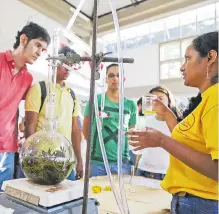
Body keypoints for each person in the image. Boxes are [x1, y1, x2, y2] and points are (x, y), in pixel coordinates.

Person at [127, 31, 218, 214]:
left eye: (187, 58)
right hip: (192, 201)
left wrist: (162, 141)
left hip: (202, 204)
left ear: (210, 57)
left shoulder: (215, 99)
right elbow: (191, 143)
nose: (182, 67)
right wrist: (167, 114)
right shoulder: (206, 100)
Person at [0, 22, 50, 190]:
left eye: (43, 50)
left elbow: (14, 110)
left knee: (3, 199)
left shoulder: (28, 79)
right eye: (38, 45)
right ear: (23, 39)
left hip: (7, 148)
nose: (39, 53)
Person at [25, 46, 83, 180]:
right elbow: (30, 125)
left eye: (71, 65)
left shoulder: (72, 94)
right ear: (55, 62)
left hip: (65, 160)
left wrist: (79, 159)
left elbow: (75, 129)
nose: (69, 69)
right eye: (66, 64)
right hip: (41, 159)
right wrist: (32, 157)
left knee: (67, 198)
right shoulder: (39, 89)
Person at [83, 64, 137, 177]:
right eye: (111, 75)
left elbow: (132, 132)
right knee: (94, 194)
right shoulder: (96, 100)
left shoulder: (131, 105)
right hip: (97, 162)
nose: (115, 78)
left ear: (123, 79)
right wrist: (95, 148)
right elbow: (85, 128)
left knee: (119, 194)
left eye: (118, 75)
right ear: (106, 79)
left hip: (122, 163)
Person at [135, 86, 179, 180]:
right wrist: (135, 168)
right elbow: (140, 149)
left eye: (160, 98)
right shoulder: (147, 121)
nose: (157, 102)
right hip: (143, 170)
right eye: (153, 99)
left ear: (169, 100)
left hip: (165, 172)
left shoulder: (176, 123)